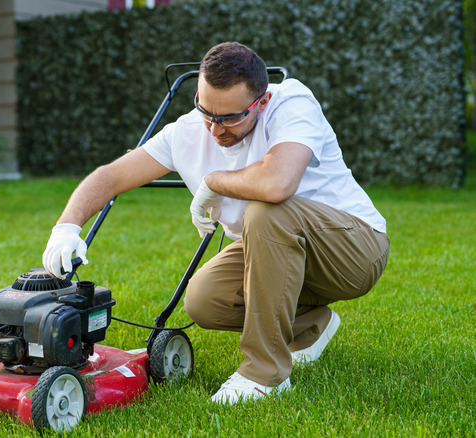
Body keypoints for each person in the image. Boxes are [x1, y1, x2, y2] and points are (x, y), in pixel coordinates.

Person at [42, 42, 389, 404]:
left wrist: (212, 181)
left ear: (262, 102)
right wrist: (66, 228)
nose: (215, 130)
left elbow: (277, 183)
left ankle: (264, 375)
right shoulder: (187, 131)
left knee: (266, 209)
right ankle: (309, 326)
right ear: (197, 96)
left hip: (355, 250)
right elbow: (111, 176)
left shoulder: (292, 102)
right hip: (280, 254)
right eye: (207, 112)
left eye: (231, 118)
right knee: (204, 300)